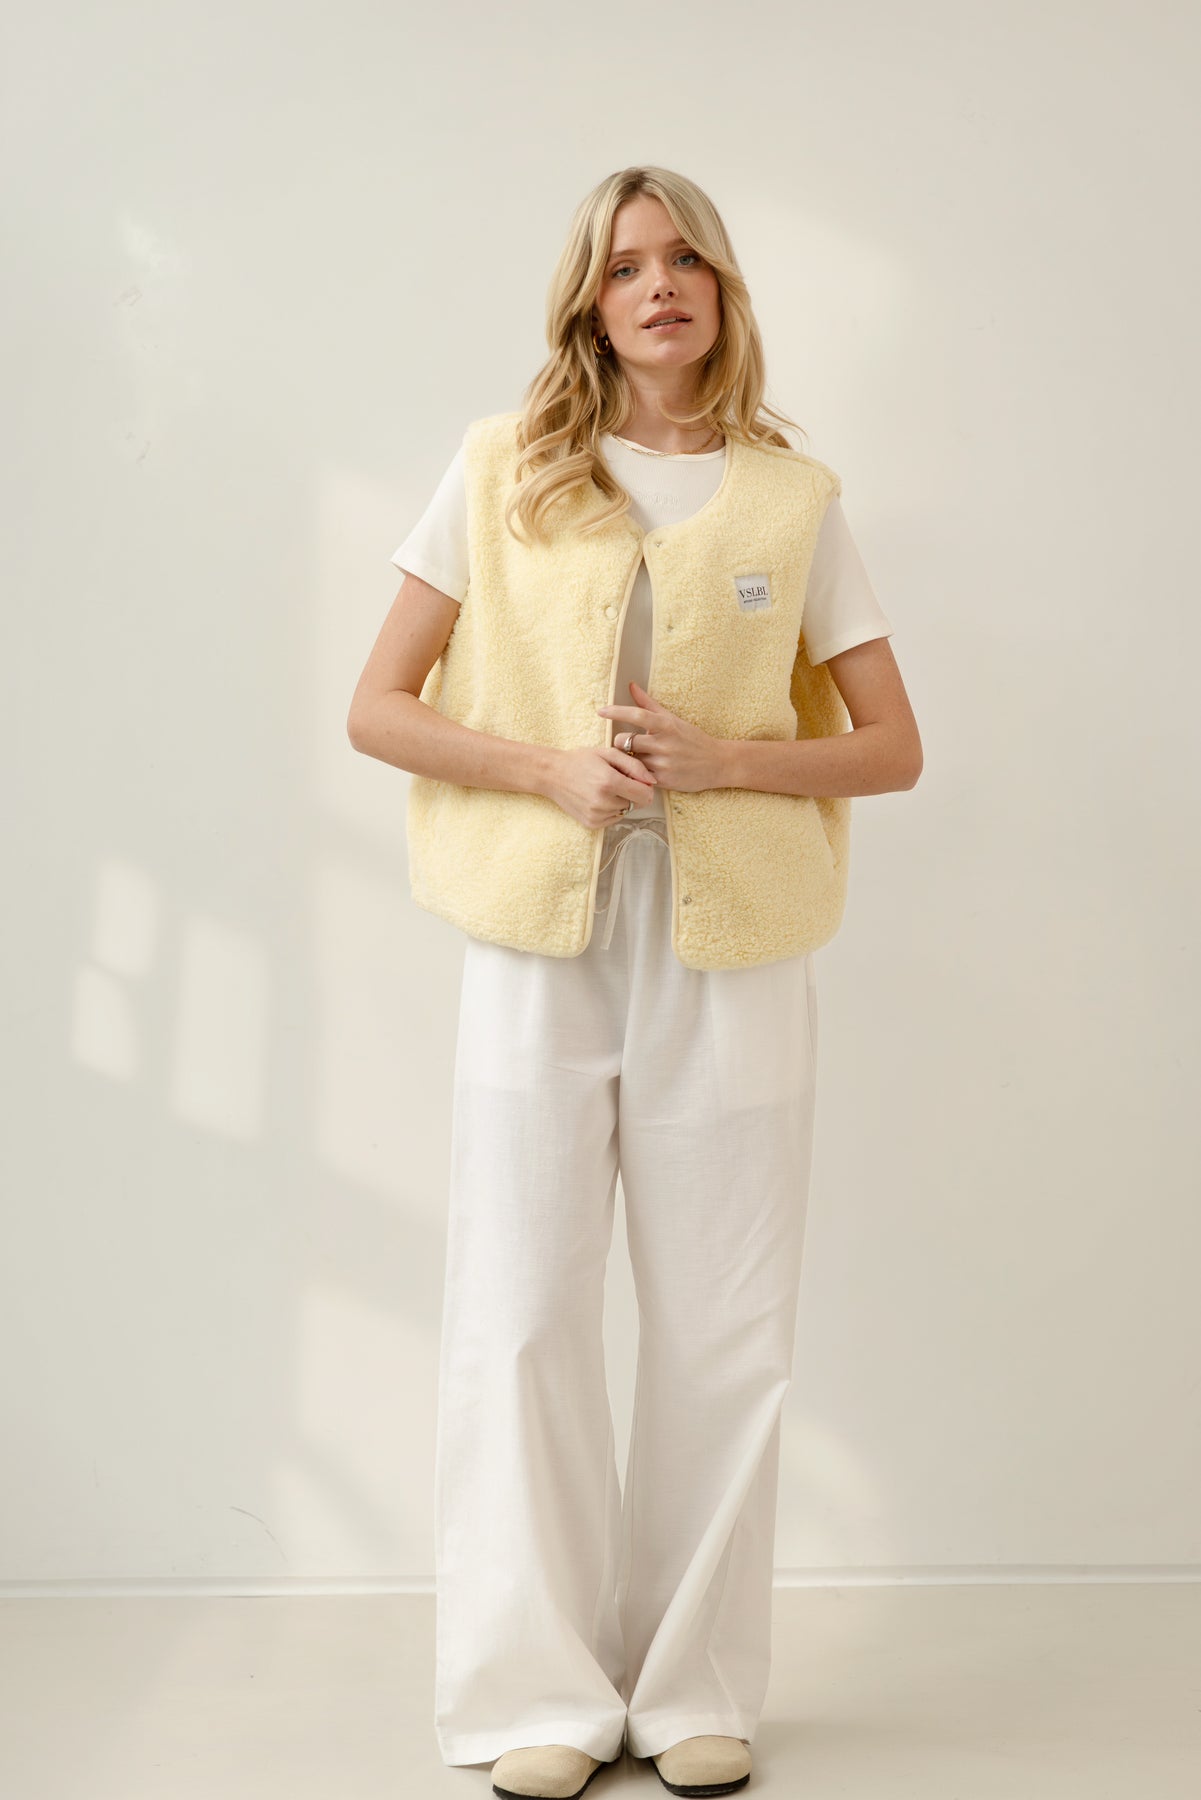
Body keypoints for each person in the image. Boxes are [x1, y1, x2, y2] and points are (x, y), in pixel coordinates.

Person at [348, 166, 923, 1800]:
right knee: (522, 1310)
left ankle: (692, 1687)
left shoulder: (792, 501)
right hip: (540, 941)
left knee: (724, 1326)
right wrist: (546, 771)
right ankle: (529, 1692)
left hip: (732, 949)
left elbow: (891, 746)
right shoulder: (503, 470)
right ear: (587, 306)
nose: (656, 285)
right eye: (621, 267)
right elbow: (377, 705)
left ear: (722, 291)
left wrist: (726, 760)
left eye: (683, 260)